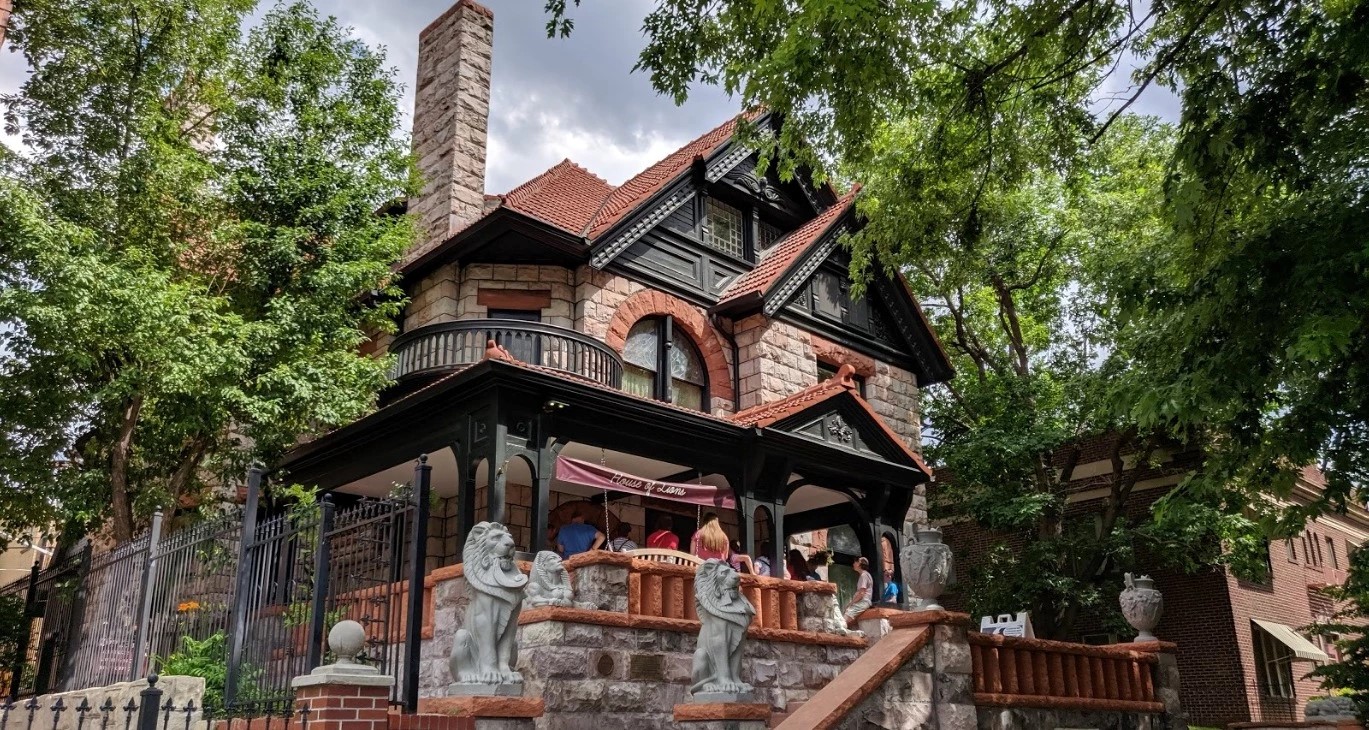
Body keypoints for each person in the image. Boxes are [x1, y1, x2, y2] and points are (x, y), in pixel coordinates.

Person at [843, 557, 873, 624]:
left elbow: (861, 593)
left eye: (855, 562)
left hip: (863, 602)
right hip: (864, 602)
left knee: (845, 617)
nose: (853, 564)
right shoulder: (866, 575)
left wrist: (851, 603)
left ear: (859, 563)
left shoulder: (864, 575)